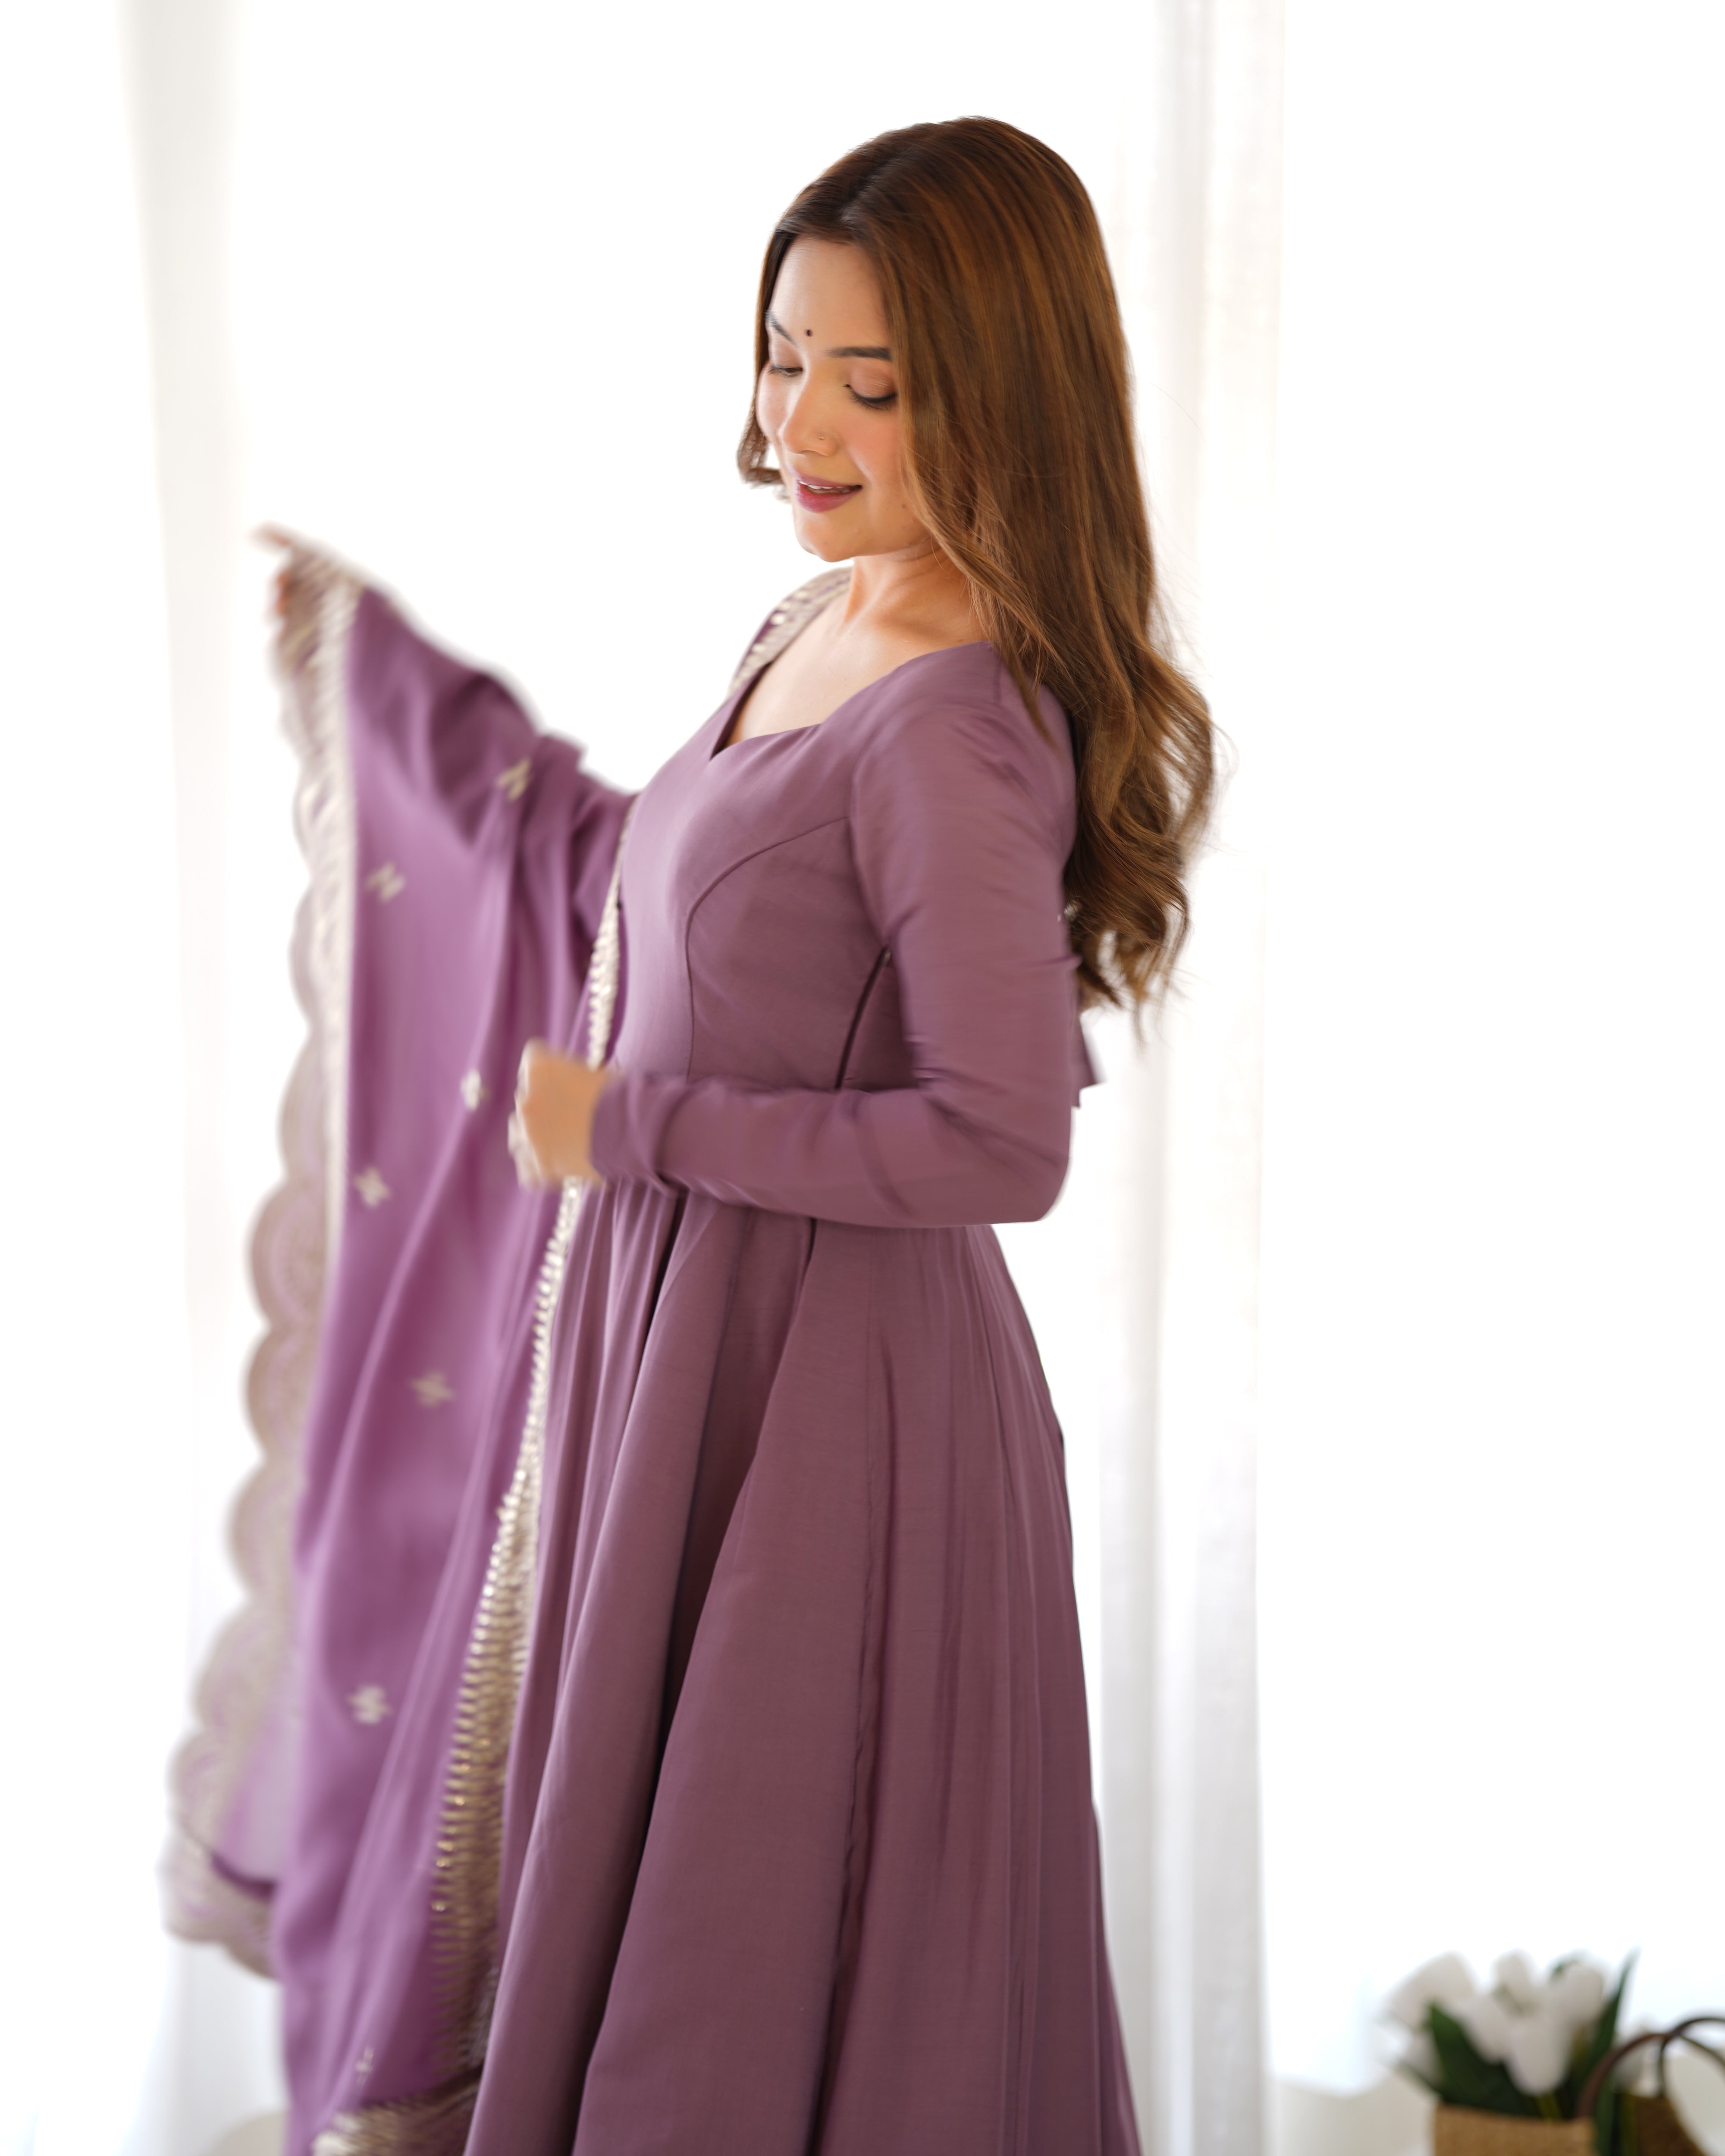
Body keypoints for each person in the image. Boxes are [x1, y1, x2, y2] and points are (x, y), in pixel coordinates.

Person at [170, 116, 1213, 2156]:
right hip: (687, 1347)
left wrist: (637, 1124)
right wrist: (396, 686)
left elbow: (999, 1140)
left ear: (1000, 394)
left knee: (741, 1950)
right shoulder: (810, 621)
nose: (799, 420)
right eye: (784, 353)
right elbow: (669, 895)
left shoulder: (954, 722)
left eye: (871, 382)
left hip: (836, 1414)